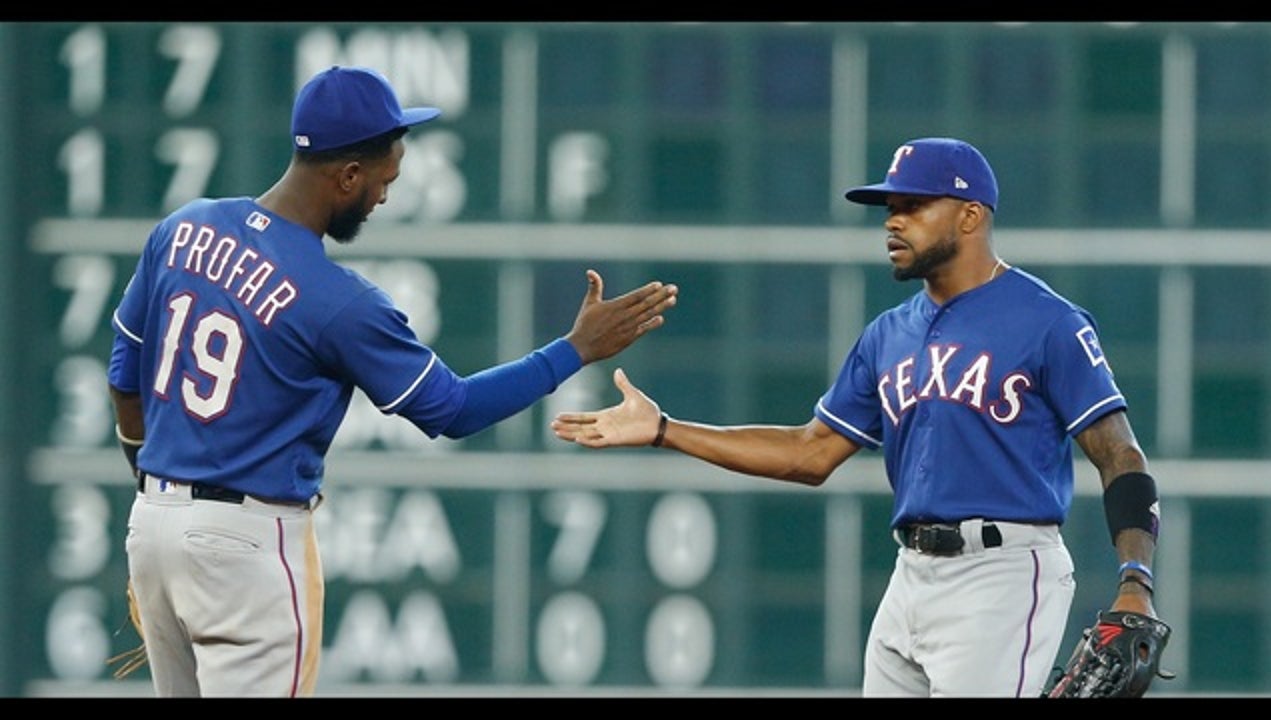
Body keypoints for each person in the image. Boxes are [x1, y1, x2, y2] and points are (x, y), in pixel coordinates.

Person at [106, 65, 678, 697]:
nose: (382, 196)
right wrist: (573, 351)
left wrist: (157, 488)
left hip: (153, 527)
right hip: (245, 549)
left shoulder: (185, 227)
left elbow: (124, 369)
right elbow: (452, 410)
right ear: (347, 175)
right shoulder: (337, 301)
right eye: (383, 179)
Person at [551, 137, 1163, 697]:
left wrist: (1135, 576)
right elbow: (810, 453)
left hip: (1002, 574)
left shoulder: (1049, 321)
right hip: (910, 575)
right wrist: (665, 430)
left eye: (915, 205)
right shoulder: (888, 334)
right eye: (889, 207)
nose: (893, 221)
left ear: (971, 216)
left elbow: (1120, 456)